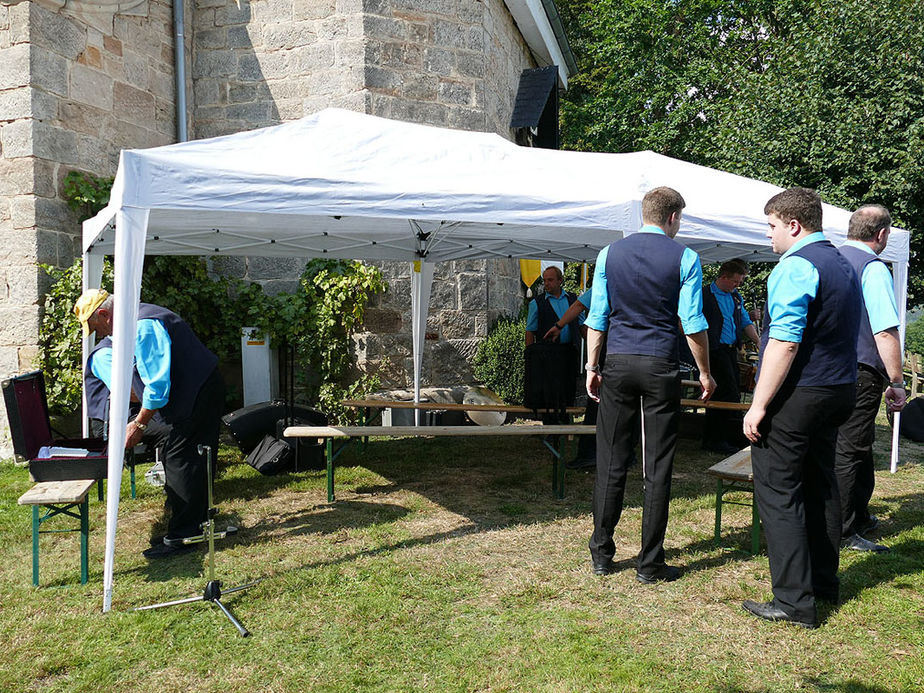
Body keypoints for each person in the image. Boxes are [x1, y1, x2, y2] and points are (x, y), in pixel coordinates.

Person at [742, 187, 861, 629]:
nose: (768, 236)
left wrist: (758, 405)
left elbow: (785, 341)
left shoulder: (796, 267)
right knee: (820, 483)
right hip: (837, 389)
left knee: (779, 492)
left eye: (771, 226)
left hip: (801, 394)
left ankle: (794, 601)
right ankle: (823, 584)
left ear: (793, 225)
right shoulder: (844, 263)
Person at [584, 186, 716, 583]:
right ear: (673, 217)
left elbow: (597, 316)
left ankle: (602, 554)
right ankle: (649, 563)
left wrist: (592, 364)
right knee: (657, 467)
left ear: (644, 214)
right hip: (660, 363)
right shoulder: (686, 257)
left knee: (611, 460)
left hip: (618, 362)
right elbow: (692, 322)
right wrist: (705, 372)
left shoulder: (609, 253)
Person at [74, 289, 225, 559]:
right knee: (186, 456)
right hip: (200, 388)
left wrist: (139, 424)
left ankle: (184, 536)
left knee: (182, 459)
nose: (102, 336)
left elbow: (156, 386)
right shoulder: (140, 316)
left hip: (197, 392)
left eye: (98, 328)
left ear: (105, 315)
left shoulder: (142, 326)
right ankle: (192, 523)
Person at [835, 205, 907, 553]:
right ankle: (843, 529)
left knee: (850, 446)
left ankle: (858, 515)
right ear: (881, 235)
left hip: (825, 369)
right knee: (850, 449)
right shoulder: (873, 269)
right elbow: (884, 330)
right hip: (861, 369)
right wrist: (897, 380)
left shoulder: (827, 260)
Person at [701, 258, 760, 454]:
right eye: (736, 281)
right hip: (713, 351)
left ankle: (728, 436)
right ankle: (715, 439)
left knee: (734, 390)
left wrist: (759, 342)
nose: (738, 285)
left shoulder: (735, 297)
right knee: (725, 392)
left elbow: (744, 321)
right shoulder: (704, 295)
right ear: (723, 277)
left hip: (730, 350)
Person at [544, 285, 596, 469]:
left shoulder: (610, 274)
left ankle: (590, 454)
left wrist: (593, 366)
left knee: (594, 405)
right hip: (644, 354)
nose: (546, 283)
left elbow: (581, 309)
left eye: (550, 280)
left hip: (611, 355)